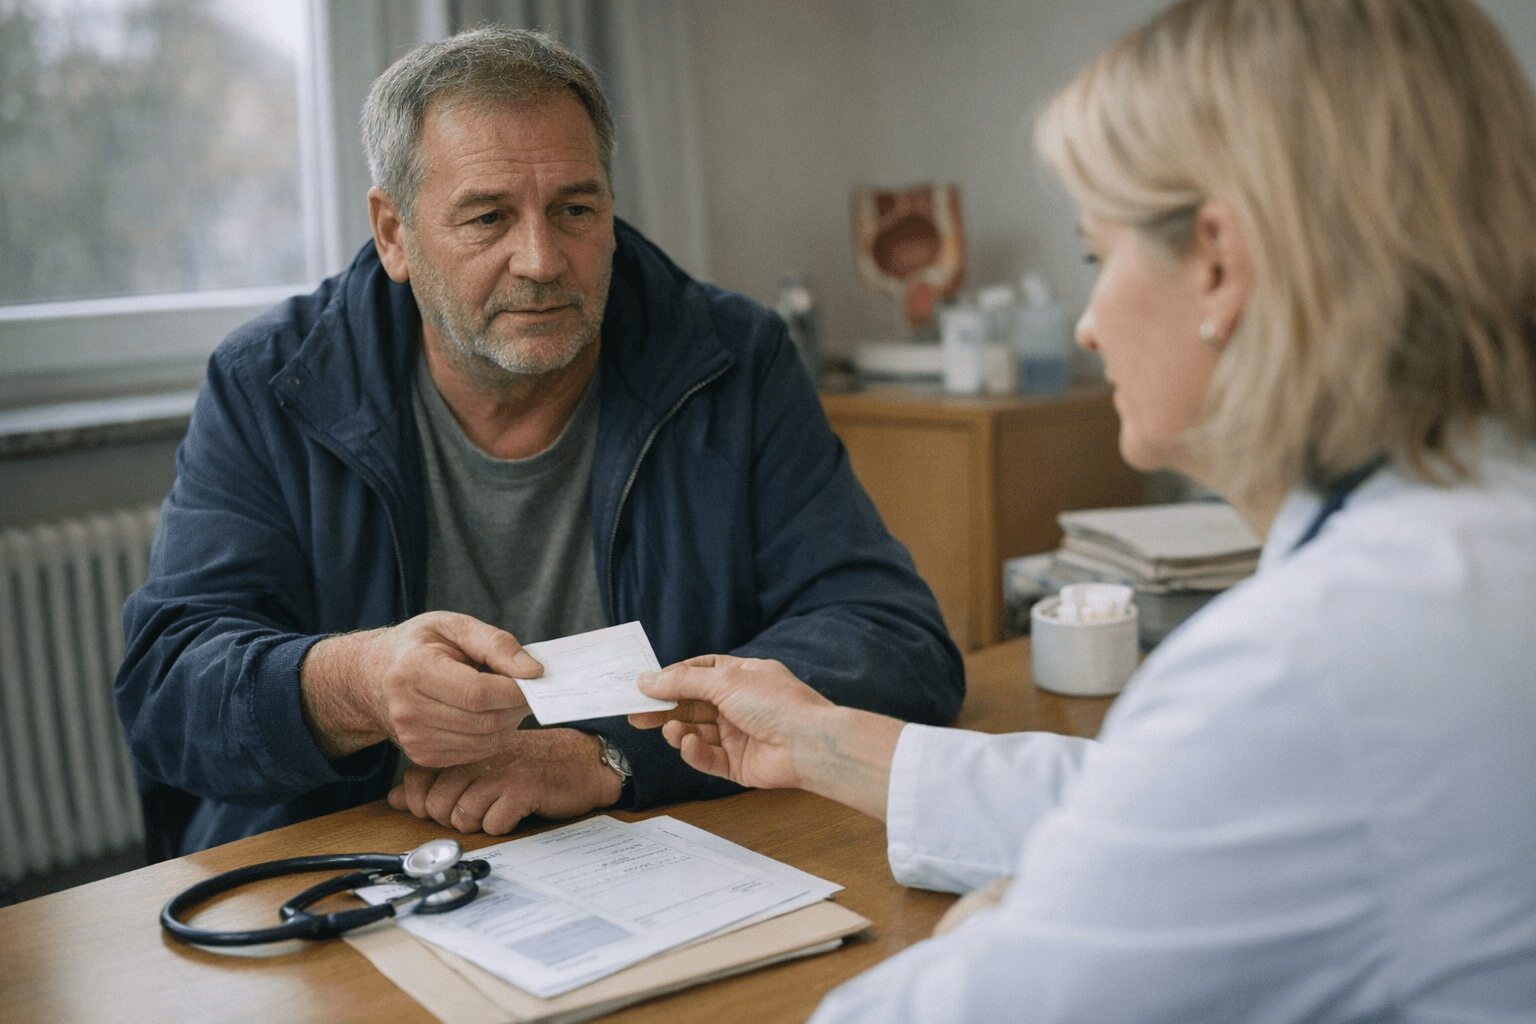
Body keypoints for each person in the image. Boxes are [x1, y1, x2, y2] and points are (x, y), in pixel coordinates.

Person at [630, 0, 1536, 1019]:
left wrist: (994, 929)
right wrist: (824, 740)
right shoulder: (1472, 536)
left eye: (1100, 258)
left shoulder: (1314, 664)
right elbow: (1190, 808)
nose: (1091, 325)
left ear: (1219, 265)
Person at [113, 27, 962, 858]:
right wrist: (358, 684)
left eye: (575, 209)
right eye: (486, 217)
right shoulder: (270, 383)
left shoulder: (730, 358)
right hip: (361, 864)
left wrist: (611, 751)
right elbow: (166, 691)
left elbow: (892, 641)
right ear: (394, 234)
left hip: (653, 852)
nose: (542, 259)